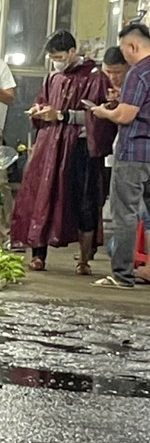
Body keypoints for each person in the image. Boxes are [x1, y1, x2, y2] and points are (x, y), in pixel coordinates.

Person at [9, 31, 114, 274]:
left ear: (72, 52)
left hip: (80, 148)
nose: (56, 62)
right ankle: (38, 256)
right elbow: (43, 101)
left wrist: (62, 115)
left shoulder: (95, 77)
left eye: (59, 57)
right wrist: (39, 110)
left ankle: (84, 259)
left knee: (84, 201)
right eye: (53, 58)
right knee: (41, 197)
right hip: (49, 146)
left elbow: (99, 115)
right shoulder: (53, 77)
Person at [90, 22, 150, 288]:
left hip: (134, 152)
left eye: (124, 50)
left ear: (132, 46)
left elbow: (125, 116)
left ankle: (122, 275)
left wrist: (105, 112)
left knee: (125, 213)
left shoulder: (139, 72)